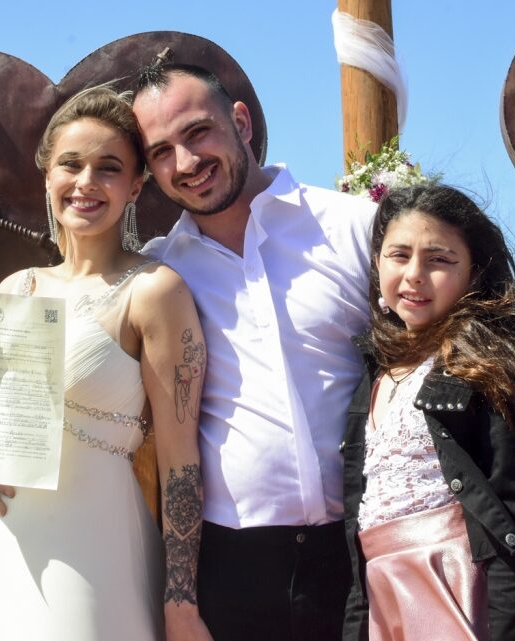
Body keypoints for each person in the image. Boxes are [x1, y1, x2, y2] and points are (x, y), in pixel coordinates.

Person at [0, 86, 212, 641]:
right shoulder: (15, 288)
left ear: (135, 186)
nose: (86, 182)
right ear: (47, 175)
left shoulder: (154, 291)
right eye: (71, 165)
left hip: (94, 553)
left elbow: (180, 462)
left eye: (109, 168)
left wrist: (181, 603)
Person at [133, 63, 380, 641]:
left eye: (198, 133)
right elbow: (73, 371)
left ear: (239, 121)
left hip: (362, 552)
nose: (187, 163)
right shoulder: (158, 274)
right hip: (231, 567)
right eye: (162, 152)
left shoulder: (355, 229)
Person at [341, 184, 515, 641]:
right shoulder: (374, 372)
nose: (414, 275)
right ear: (376, 263)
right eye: (399, 255)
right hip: (383, 597)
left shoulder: (485, 367)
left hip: (459, 593)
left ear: (474, 272)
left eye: (439, 260)